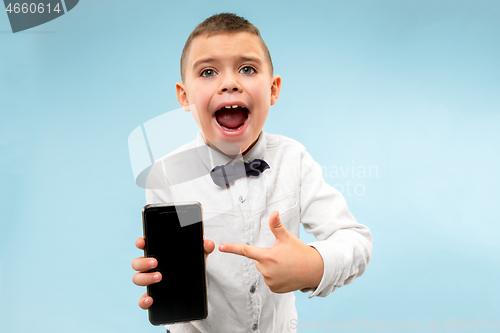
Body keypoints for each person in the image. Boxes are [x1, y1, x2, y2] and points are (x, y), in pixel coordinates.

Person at [131, 13, 372, 333]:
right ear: (185, 97)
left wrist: (314, 264)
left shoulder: (294, 159)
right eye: (208, 71)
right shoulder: (167, 175)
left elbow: (355, 240)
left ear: (273, 90)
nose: (230, 82)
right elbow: (174, 295)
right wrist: (169, 276)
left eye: (247, 68)